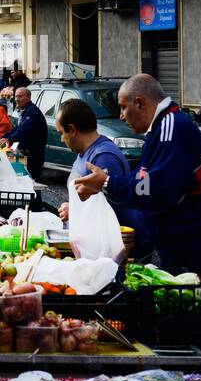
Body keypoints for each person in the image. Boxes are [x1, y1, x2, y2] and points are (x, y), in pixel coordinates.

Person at [73, 73, 201, 369]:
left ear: (140, 102)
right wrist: (109, 183)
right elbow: (143, 179)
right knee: (190, 316)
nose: (121, 115)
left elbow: (156, 190)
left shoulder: (172, 127)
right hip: (182, 240)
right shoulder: (162, 129)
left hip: (198, 241)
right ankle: (200, 375)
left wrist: (106, 182)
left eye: (123, 107)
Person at [54, 98, 151, 261]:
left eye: (61, 133)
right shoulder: (85, 152)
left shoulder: (103, 157)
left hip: (117, 252)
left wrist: (75, 210)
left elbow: (111, 205)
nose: (61, 139)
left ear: (72, 129)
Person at [3, 86, 47, 179]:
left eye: (20, 96)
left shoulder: (32, 111)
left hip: (34, 155)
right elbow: (18, 129)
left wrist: (9, 139)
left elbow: (24, 130)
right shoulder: (25, 111)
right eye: (15, 97)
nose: (16, 99)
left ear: (28, 97)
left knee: (32, 182)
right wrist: (4, 136)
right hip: (27, 153)